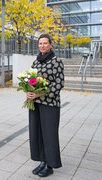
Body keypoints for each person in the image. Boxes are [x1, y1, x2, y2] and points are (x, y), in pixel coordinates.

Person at [27, 34, 64, 177]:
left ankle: (50, 164)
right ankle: (42, 160)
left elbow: (59, 84)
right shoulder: (36, 62)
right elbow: (30, 80)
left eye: (45, 43)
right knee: (37, 133)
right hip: (35, 104)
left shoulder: (56, 62)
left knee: (49, 135)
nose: (42, 46)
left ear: (50, 45)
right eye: (40, 43)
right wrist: (28, 92)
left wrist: (40, 94)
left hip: (50, 104)